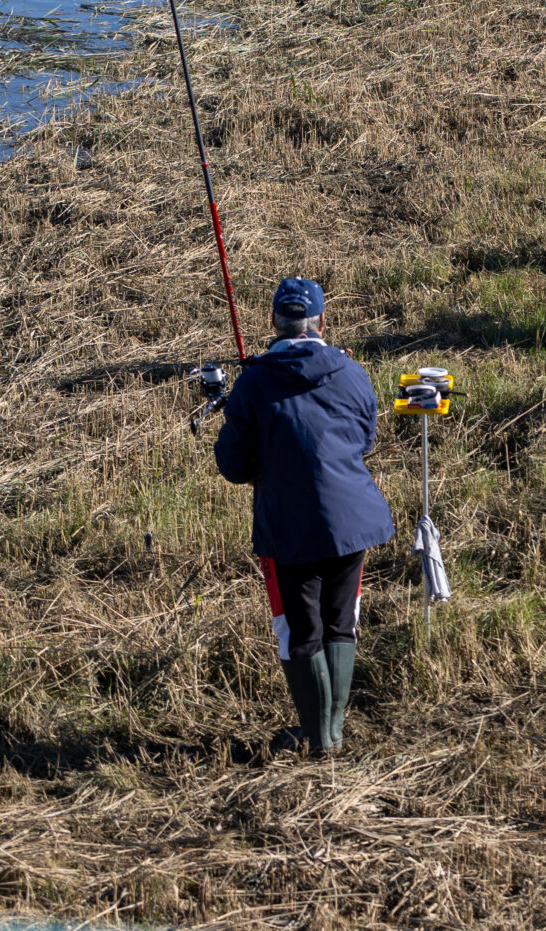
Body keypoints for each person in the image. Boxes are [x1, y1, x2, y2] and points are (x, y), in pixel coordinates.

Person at [213, 277, 396, 758]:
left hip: (288, 528)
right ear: (321, 322)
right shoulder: (353, 372)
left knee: (299, 631)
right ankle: (330, 733)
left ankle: (319, 739)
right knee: (341, 623)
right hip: (351, 522)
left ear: (274, 321)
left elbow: (232, 465)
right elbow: (364, 441)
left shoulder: (252, 383)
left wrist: (268, 466)